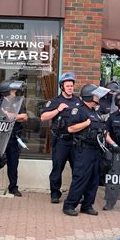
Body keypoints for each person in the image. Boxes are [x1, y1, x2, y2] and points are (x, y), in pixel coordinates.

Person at [62, 84, 107, 216]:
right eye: (95, 95)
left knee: (94, 179)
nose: (98, 97)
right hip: (84, 149)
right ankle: (69, 205)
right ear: (89, 96)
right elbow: (70, 129)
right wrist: (86, 124)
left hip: (95, 149)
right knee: (81, 177)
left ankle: (87, 205)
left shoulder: (95, 112)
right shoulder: (79, 110)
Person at [40, 72, 82, 203]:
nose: (70, 88)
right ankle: (55, 194)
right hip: (61, 141)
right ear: (62, 87)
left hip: (75, 140)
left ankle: (76, 194)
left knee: (78, 168)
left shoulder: (78, 101)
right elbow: (43, 117)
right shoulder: (55, 101)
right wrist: (58, 110)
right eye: (67, 86)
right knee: (57, 168)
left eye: (71, 86)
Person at [0, 80, 28, 197]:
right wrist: (16, 117)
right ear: (7, 91)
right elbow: (2, 118)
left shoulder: (18, 103)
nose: (15, 92)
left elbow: (25, 117)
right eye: (13, 90)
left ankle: (13, 187)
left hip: (13, 138)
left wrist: (12, 116)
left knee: (13, 163)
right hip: (0, 137)